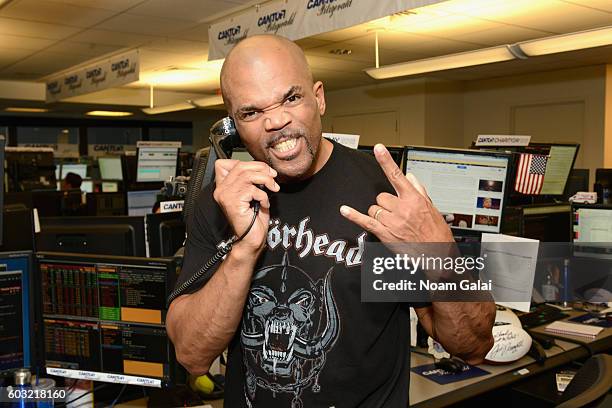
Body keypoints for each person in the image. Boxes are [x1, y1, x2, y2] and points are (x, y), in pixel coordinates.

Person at [167, 35, 495, 407]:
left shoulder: (383, 192)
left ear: (319, 97)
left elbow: (473, 346)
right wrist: (244, 250)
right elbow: (192, 356)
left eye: (291, 98)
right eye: (251, 112)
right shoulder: (221, 200)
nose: (276, 121)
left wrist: (441, 255)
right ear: (232, 126)